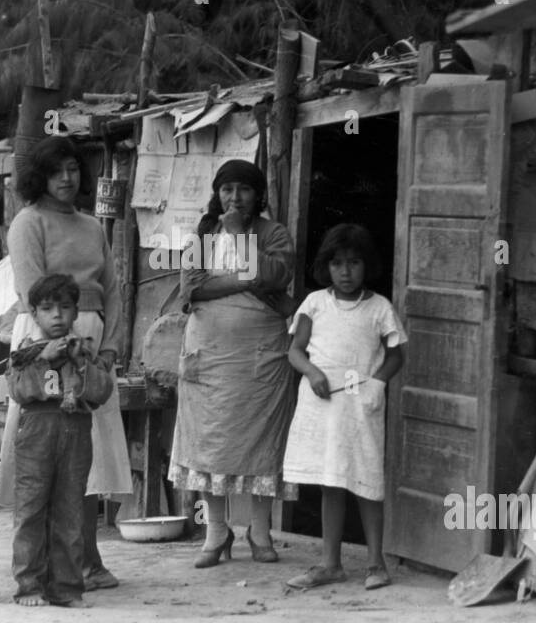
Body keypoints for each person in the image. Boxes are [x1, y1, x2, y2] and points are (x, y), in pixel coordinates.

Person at [0, 136, 129, 591]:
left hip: (93, 343)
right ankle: (45, 567)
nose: (67, 179)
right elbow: (36, 295)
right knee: (46, 453)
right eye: (57, 172)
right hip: (46, 339)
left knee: (88, 457)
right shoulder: (27, 222)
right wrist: (58, 345)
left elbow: (112, 290)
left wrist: (108, 349)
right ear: (41, 177)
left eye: (73, 169)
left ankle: (86, 561)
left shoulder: (93, 226)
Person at [168, 159, 299, 568]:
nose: (234, 197)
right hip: (209, 357)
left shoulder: (273, 233)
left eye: (243, 189)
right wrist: (245, 279)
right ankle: (216, 531)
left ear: (258, 195)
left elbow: (276, 276)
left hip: (261, 359)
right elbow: (191, 288)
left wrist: (242, 238)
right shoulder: (205, 233)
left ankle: (260, 532)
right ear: (217, 193)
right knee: (210, 439)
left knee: (261, 439)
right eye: (227, 189)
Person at [282, 224, 407, 590]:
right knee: (331, 480)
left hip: (360, 402)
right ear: (327, 267)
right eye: (337, 264)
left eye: (354, 263)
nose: (346, 272)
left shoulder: (379, 307)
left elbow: (397, 355)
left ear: (367, 265)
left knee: (367, 480)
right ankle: (330, 563)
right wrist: (312, 372)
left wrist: (378, 384)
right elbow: (294, 350)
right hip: (322, 400)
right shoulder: (315, 304)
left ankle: (375, 563)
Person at [7, 274, 115, 607]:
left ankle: (67, 587)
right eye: (48, 309)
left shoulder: (84, 349)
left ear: (75, 312)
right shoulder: (25, 353)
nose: (57, 316)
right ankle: (30, 585)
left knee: (70, 511)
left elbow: (100, 393)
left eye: (65, 308)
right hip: (37, 432)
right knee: (30, 510)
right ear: (34, 313)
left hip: (75, 432)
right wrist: (45, 359)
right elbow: (20, 390)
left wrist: (79, 361)